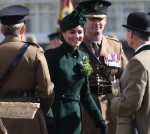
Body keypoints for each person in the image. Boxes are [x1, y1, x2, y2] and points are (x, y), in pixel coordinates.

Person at [44, 6, 108, 134]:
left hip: (75, 118)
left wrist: (99, 120)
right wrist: (49, 121)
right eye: (72, 32)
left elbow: (85, 94)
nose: (77, 36)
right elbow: (44, 93)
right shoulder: (52, 56)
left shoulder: (83, 57)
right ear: (63, 33)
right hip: (56, 116)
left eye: (80, 32)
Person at [0, 5, 54, 134]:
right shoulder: (34, 52)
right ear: (23, 29)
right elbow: (46, 91)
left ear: (2, 30)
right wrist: (39, 112)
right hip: (30, 117)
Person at [78, 0, 128, 134]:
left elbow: (125, 77)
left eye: (100, 19)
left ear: (105, 20)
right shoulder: (76, 47)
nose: (96, 23)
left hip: (112, 105)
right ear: (84, 20)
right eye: (92, 19)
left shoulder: (115, 46)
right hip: (86, 107)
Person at [111, 12, 150, 134]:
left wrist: (114, 98)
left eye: (127, 31)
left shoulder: (137, 62)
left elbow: (130, 104)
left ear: (131, 34)